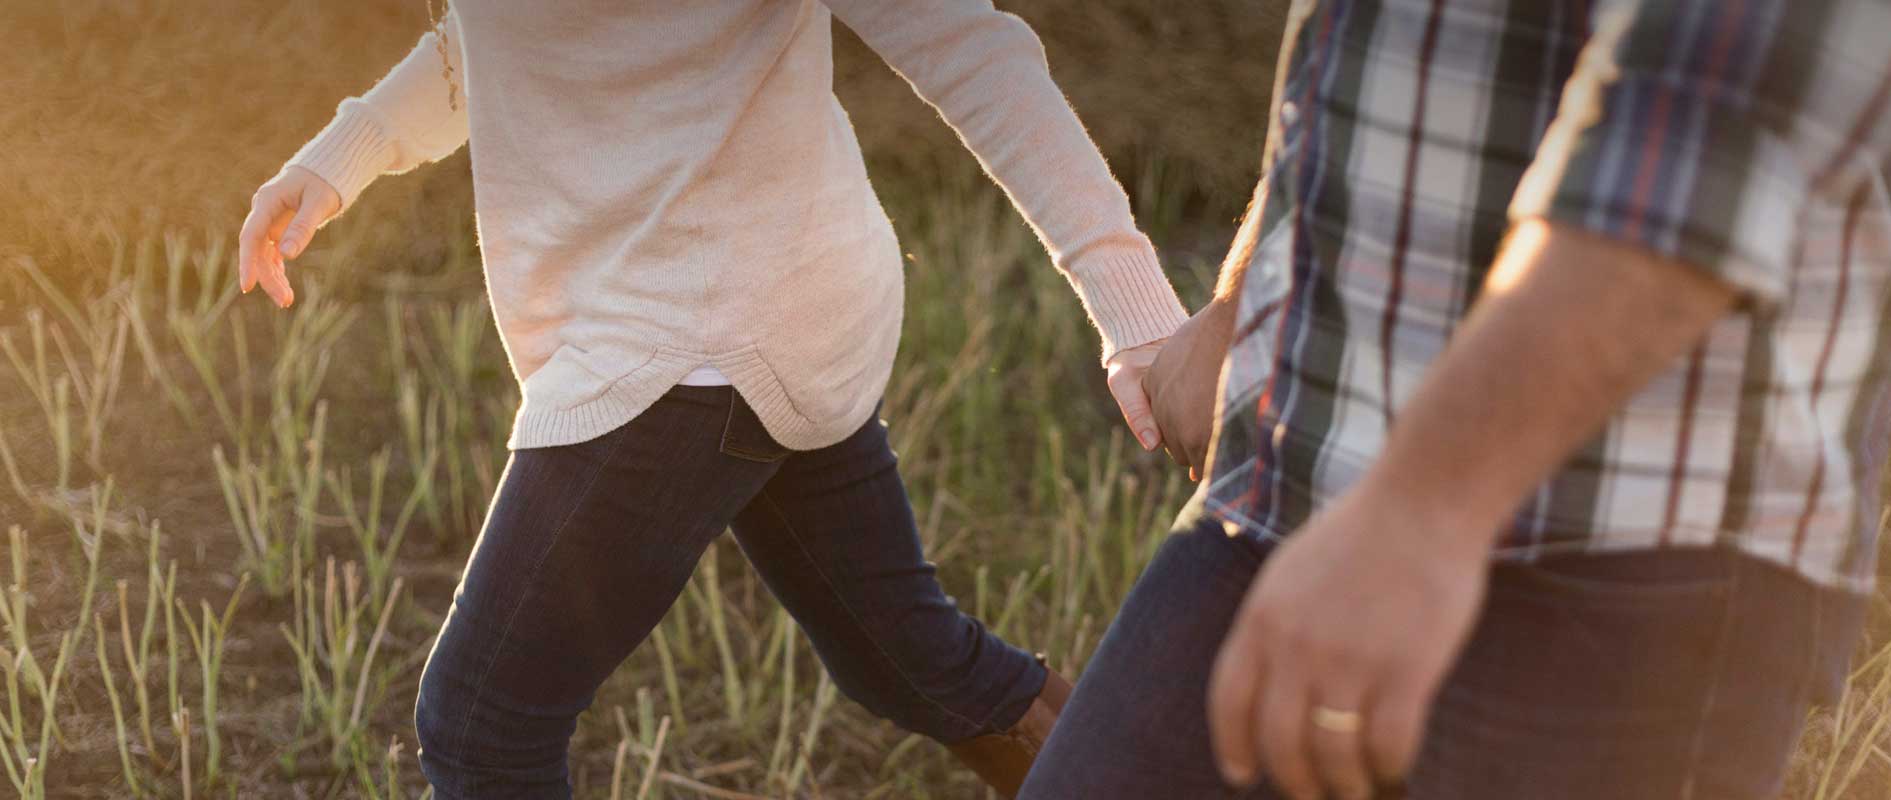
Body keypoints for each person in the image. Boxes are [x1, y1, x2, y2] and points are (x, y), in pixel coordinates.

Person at [235, 2, 1189, 797]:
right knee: (909, 662)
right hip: (756, 304)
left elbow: (965, 44)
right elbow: (489, 38)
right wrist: (340, 157)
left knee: (483, 724)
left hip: (693, 334)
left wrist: (1134, 310)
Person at [1023, 0, 1891, 797]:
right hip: (1300, 463)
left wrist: (1423, 512)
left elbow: (1707, 137)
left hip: (1620, 541)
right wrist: (1246, 293)